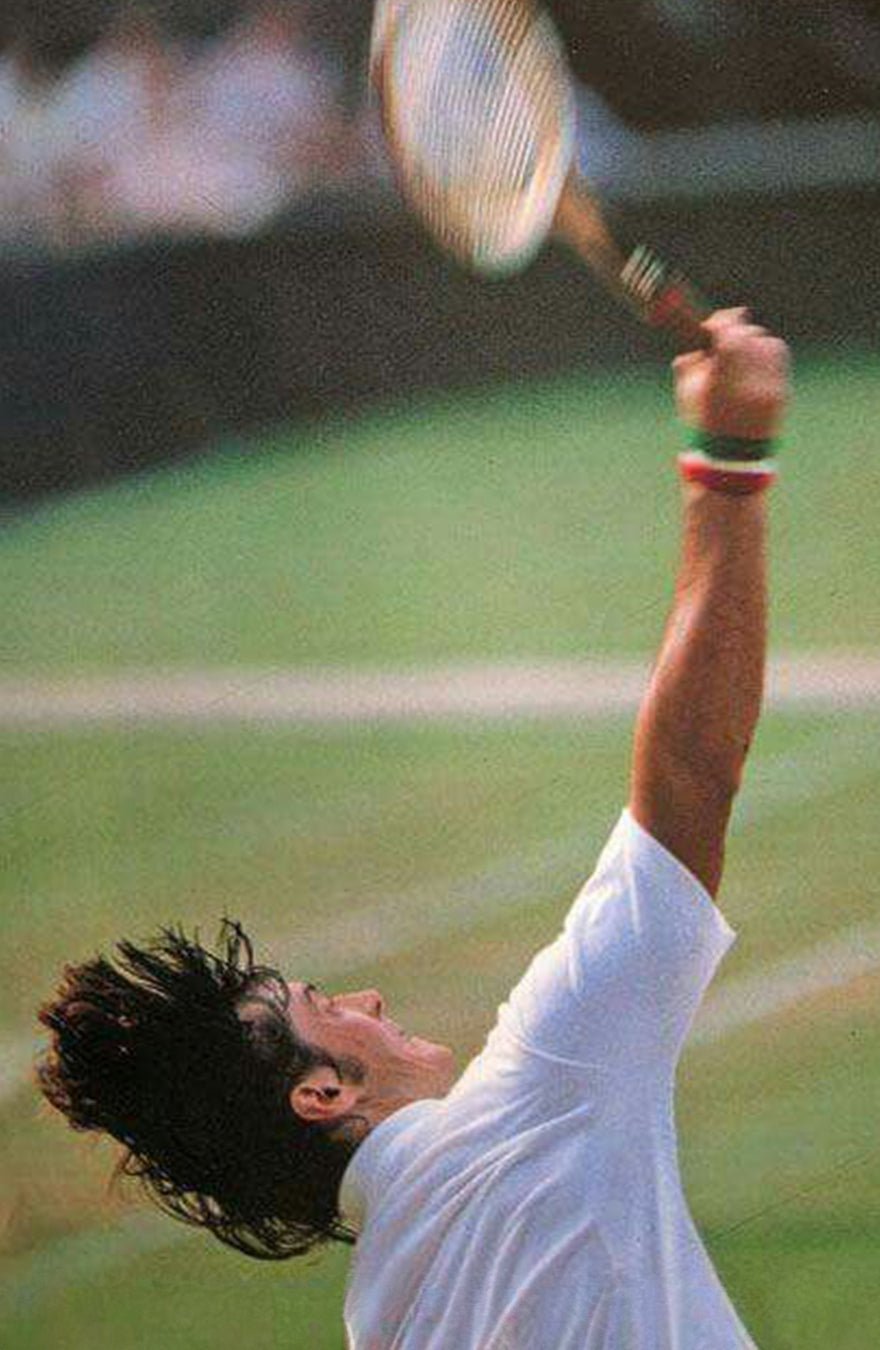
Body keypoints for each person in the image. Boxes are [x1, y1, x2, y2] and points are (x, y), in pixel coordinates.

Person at [38, 307, 788, 1348]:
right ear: (322, 1092)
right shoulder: (535, 1105)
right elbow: (691, 777)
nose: (369, 999)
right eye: (323, 1006)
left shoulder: (385, 1325)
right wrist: (729, 458)